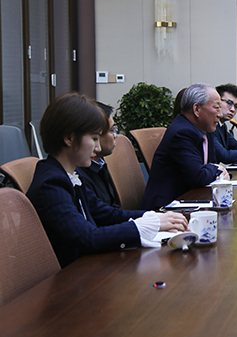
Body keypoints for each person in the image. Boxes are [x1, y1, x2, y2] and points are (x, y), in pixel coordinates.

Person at [26, 92, 188, 268]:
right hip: (73, 276)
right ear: (69, 138)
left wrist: (155, 217)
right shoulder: (51, 183)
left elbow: (107, 214)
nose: (97, 148)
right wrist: (145, 225)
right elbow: (88, 238)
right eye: (94, 138)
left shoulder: (69, 174)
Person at [141, 83, 230, 210]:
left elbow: (210, 167)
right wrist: (216, 168)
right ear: (196, 109)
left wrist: (215, 169)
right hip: (167, 207)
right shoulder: (182, 132)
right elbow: (199, 177)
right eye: (217, 107)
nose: (220, 114)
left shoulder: (205, 130)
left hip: (190, 199)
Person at [77, 102, 121, 208]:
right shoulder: (74, 176)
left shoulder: (99, 164)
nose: (115, 135)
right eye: (111, 130)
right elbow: (101, 215)